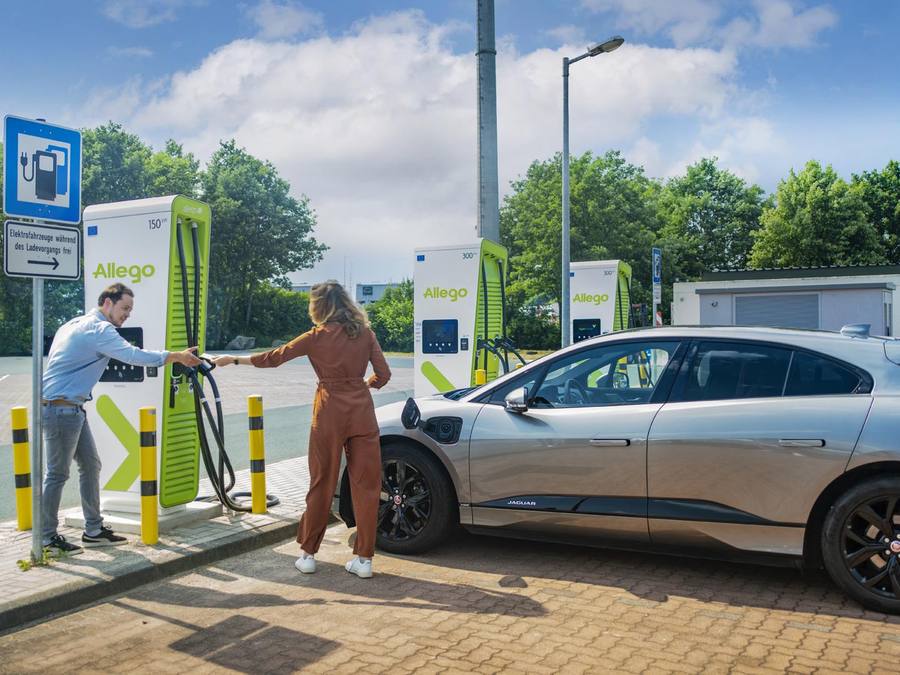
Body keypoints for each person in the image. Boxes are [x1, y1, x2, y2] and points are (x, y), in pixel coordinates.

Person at [214, 281, 391, 579]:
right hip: (362, 413)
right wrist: (364, 385)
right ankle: (364, 560)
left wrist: (232, 359)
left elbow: (274, 357)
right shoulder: (365, 333)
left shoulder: (316, 336)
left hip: (329, 412)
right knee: (367, 485)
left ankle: (308, 555)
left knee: (322, 481)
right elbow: (383, 375)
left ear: (319, 306)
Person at [41, 282, 202, 556]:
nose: (127, 314)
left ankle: (93, 531)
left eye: (130, 310)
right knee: (57, 474)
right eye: (124, 308)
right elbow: (131, 355)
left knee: (90, 466)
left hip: (70, 408)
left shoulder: (72, 324)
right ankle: (46, 539)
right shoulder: (100, 329)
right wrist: (175, 356)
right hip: (62, 409)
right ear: (108, 302)